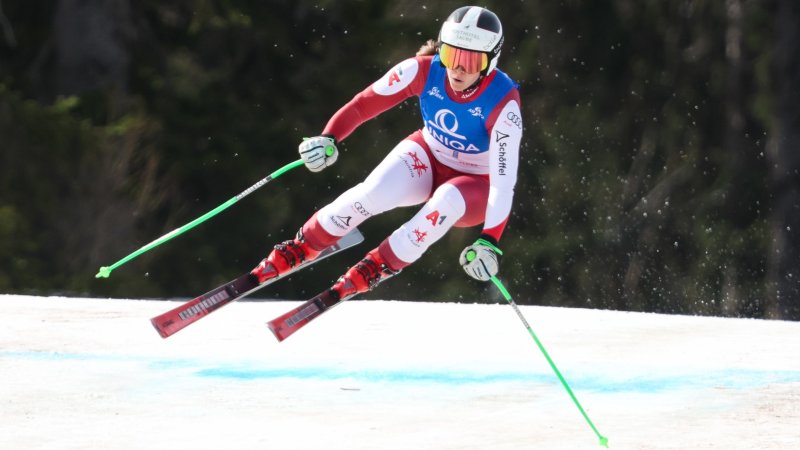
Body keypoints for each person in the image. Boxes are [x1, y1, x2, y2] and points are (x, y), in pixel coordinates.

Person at [251, 6, 523, 301]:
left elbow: (502, 182)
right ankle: (302, 245)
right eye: (450, 56)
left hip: (475, 185)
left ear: (490, 61)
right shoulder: (421, 69)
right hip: (429, 156)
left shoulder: (503, 101)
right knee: (372, 193)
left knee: (443, 202)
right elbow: (362, 105)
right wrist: (328, 138)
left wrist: (489, 241)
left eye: (470, 61)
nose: (457, 69)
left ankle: (376, 266)